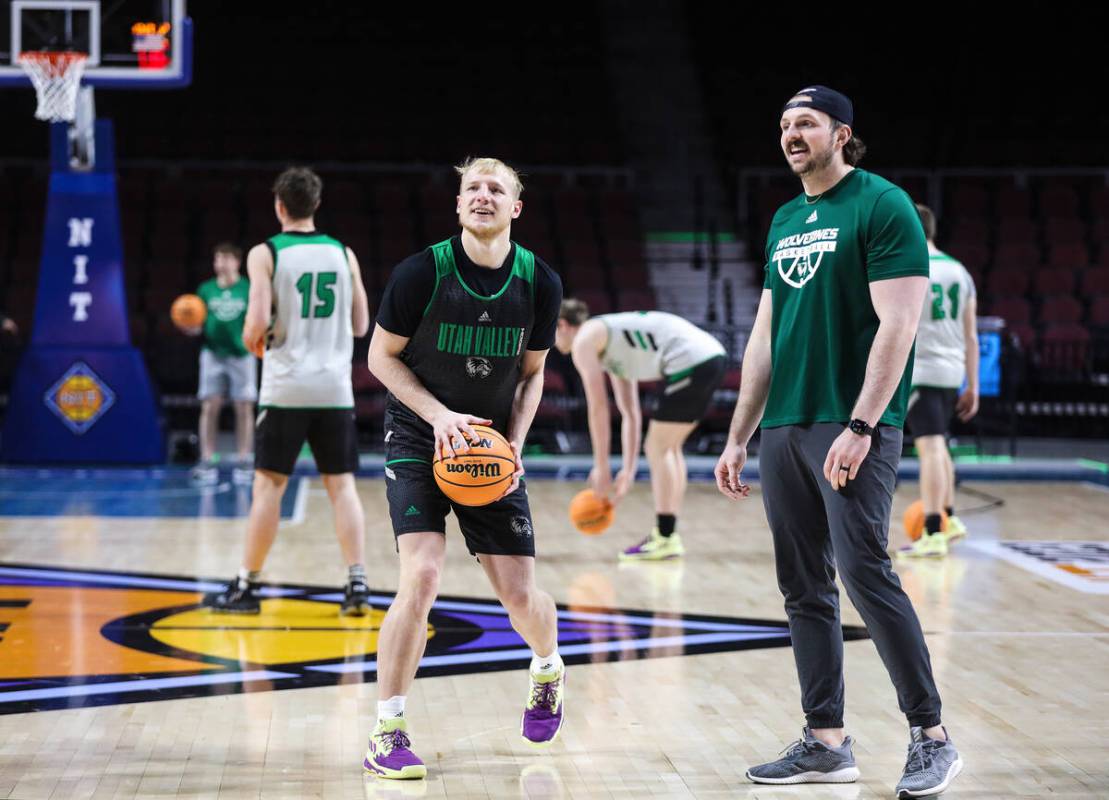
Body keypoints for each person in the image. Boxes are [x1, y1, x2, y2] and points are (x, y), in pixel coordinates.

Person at [714, 86, 962, 798]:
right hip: (784, 424)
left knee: (864, 572)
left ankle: (931, 735)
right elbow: (764, 334)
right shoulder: (786, 217)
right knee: (802, 588)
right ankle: (825, 741)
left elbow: (898, 324)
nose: (792, 134)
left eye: (806, 123)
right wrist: (737, 434)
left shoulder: (881, 204)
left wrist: (861, 424)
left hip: (848, 421)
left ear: (840, 133)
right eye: (785, 124)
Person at [365, 157, 564, 779]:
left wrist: (516, 447)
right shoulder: (420, 273)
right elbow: (380, 358)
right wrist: (441, 416)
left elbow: (531, 377)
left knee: (520, 595)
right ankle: (387, 730)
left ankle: (548, 668)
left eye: (496, 188)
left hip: (490, 451)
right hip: (418, 439)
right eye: (472, 187)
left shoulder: (540, 282)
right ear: (457, 205)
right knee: (420, 576)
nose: (483, 195)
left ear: (515, 208)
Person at [203, 167, 372, 618]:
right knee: (342, 488)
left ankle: (247, 586)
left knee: (268, 488)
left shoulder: (266, 253)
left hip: (285, 389)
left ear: (279, 206)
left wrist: (255, 337)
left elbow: (256, 322)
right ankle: (357, 583)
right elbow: (360, 325)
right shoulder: (344, 253)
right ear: (316, 205)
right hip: (334, 388)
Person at [554, 301, 726, 560]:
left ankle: (665, 537)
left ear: (562, 325)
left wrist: (602, 467)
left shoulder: (584, 341)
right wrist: (628, 469)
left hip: (691, 359)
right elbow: (630, 413)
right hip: (710, 357)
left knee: (658, 447)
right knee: (669, 448)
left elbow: (598, 408)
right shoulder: (612, 343)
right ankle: (668, 536)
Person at [899, 204, 979, 558]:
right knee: (940, 444)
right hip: (952, 370)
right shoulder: (960, 271)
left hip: (922, 369)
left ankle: (932, 531)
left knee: (928, 447)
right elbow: (972, 335)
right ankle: (949, 517)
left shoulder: (909, 267)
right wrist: (972, 385)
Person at [188, 243, 256, 486]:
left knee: (244, 407)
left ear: (237, 262)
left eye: (226, 258)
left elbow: (258, 319)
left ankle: (244, 460)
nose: (220, 263)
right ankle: (207, 460)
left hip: (242, 354)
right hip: (212, 353)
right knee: (209, 406)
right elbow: (197, 324)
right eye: (217, 258)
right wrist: (190, 327)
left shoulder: (248, 288)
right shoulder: (205, 289)